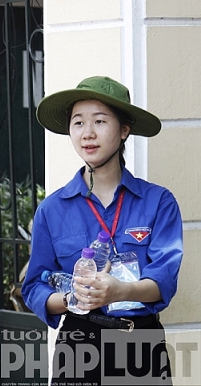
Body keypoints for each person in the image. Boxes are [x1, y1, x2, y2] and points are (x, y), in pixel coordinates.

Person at [21, 76, 183, 385]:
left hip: (140, 343)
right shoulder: (52, 209)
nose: (88, 133)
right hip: (79, 342)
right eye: (78, 123)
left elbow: (165, 279)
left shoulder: (158, 202)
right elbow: (34, 288)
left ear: (124, 130)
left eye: (100, 121)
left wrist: (121, 291)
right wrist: (72, 298)